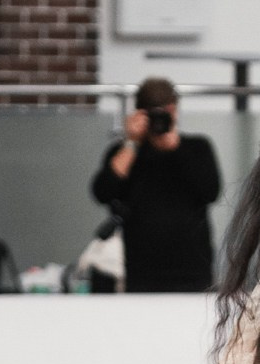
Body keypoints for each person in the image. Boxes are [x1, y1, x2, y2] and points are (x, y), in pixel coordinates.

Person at [88, 77, 222, 292]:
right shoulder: (124, 153)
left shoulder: (197, 148)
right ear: (140, 113)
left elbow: (211, 191)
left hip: (193, 271)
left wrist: (175, 148)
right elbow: (102, 192)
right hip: (140, 273)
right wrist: (132, 142)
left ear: (175, 110)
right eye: (153, 113)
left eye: (166, 111)